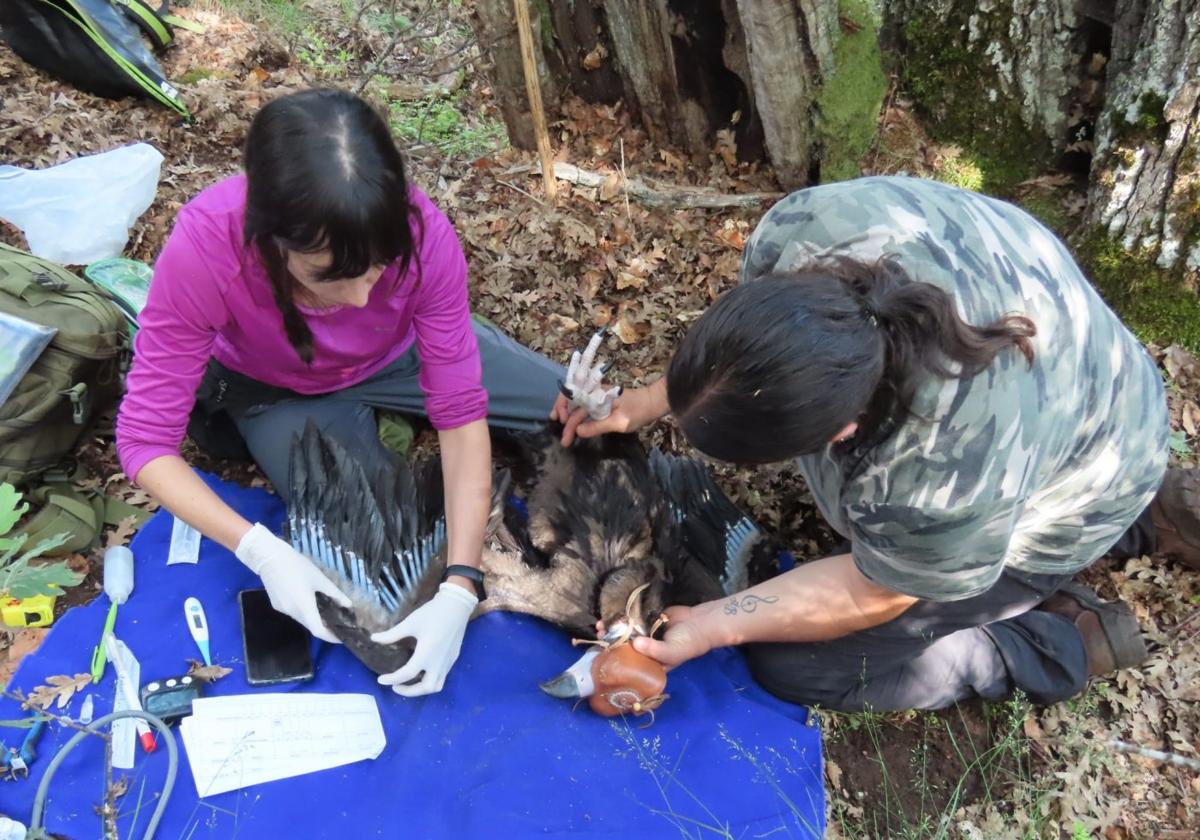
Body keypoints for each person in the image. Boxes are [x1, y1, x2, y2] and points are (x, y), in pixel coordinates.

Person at [553, 175, 1187, 711]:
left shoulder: (939, 469)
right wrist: (641, 404)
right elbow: (747, 356)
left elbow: (871, 590)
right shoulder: (797, 233)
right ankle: (1153, 509)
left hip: (1092, 457)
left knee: (798, 666)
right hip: (1090, 394)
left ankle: (1057, 640)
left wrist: (717, 625)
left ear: (842, 434)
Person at [116, 88, 561, 697]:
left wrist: (462, 583)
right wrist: (262, 551)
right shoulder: (207, 247)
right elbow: (144, 442)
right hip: (281, 389)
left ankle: (399, 417)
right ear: (273, 240)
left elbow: (459, 415)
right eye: (327, 277)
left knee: (576, 407)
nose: (356, 299)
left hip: (398, 350)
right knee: (385, 590)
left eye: (376, 269)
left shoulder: (424, 234)